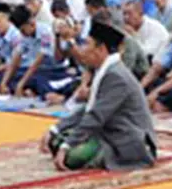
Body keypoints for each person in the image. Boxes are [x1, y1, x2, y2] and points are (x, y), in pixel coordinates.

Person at [43, 20, 157, 170]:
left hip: (127, 139)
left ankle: (104, 156)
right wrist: (55, 129)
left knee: (71, 156)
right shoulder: (105, 70)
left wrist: (68, 145)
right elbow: (88, 109)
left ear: (101, 49)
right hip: (108, 131)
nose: (83, 50)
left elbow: (96, 116)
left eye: (87, 45)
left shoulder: (116, 76)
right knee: (56, 140)